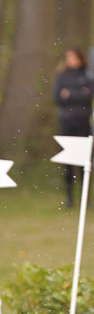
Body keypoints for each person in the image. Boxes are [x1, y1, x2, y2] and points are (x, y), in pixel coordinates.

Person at [52, 47, 94, 207]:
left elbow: (88, 95)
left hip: (83, 123)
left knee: (85, 162)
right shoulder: (62, 76)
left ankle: (86, 198)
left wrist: (70, 94)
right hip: (66, 123)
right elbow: (57, 96)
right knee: (67, 162)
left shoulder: (87, 74)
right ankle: (69, 197)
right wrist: (79, 94)